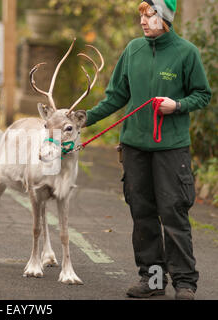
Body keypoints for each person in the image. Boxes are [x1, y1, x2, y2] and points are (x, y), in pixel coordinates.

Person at [85, 0, 211, 300]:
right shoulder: (133, 50)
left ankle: (184, 283)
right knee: (142, 214)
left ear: (165, 18)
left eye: (149, 14)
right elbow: (115, 96)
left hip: (171, 150)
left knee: (174, 214)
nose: (143, 21)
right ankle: (152, 281)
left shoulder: (186, 53)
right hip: (134, 148)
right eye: (141, 15)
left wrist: (177, 105)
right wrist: (81, 119)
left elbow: (202, 94)